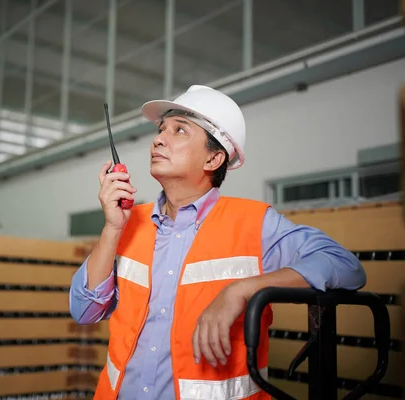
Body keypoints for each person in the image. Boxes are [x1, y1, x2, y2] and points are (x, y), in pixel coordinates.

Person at [68, 85, 366, 400]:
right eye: (161, 129)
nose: (158, 139)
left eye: (179, 130)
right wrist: (112, 228)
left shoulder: (254, 223)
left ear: (213, 158)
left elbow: (345, 266)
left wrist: (241, 290)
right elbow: (84, 312)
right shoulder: (129, 221)